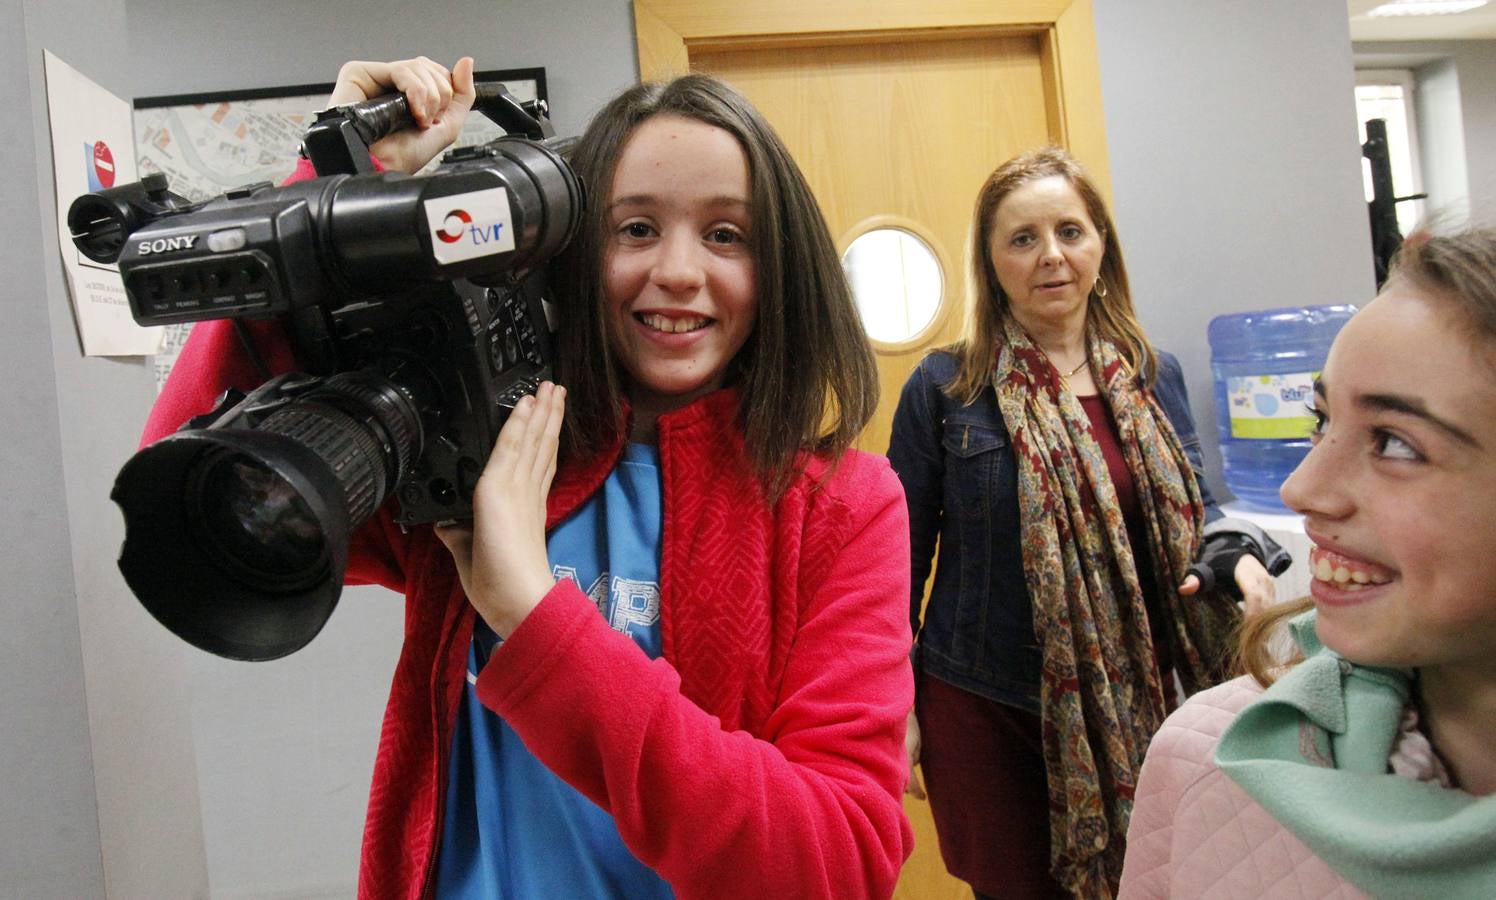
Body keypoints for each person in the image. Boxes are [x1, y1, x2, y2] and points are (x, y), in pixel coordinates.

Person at [143, 56, 915, 899]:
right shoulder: (483, 446)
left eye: (726, 235)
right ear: (573, 252)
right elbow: (201, 470)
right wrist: (334, 188)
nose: (678, 272)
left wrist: (532, 616)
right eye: (635, 229)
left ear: (780, 270)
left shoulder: (842, 506)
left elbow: (838, 863)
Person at [886, 146, 1287, 899]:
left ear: (1101, 245)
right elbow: (894, 563)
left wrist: (1235, 555)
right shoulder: (948, 387)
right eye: (1023, 238)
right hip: (985, 705)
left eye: (1069, 231)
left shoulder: (1152, 373)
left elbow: (1198, 510)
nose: (1051, 255)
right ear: (992, 262)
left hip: (1136, 699)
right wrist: (892, 705)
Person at [1119, 225, 1496, 899]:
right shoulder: (1208, 762)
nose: (1301, 488)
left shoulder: (1151, 373)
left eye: (1396, 443)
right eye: (1319, 421)